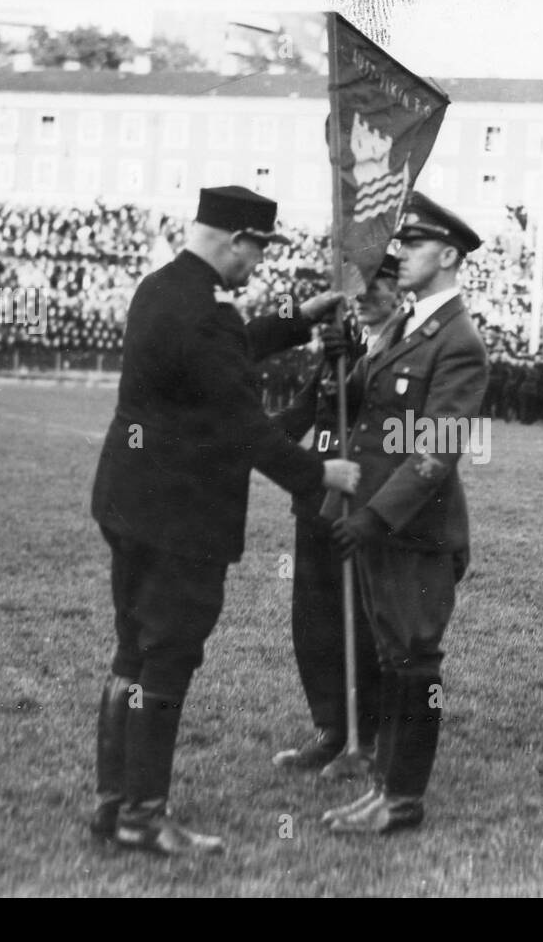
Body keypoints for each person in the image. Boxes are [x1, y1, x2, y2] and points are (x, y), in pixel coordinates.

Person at [88, 185, 361, 855]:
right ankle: (144, 816)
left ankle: (112, 801)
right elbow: (246, 428)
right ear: (237, 239)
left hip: (129, 501)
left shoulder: (163, 288)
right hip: (181, 519)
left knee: (133, 651)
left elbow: (226, 346)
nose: (257, 264)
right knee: (169, 661)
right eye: (257, 250)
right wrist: (320, 473)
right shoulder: (207, 313)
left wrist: (299, 320)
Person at [319, 192, 490, 834]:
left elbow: (435, 451)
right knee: (394, 659)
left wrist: (374, 516)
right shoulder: (414, 325)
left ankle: (403, 799)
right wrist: (345, 356)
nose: (402, 255)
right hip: (385, 525)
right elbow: (365, 408)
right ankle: (386, 788)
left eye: (414, 245)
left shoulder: (458, 340)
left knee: (416, 662)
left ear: (448, 255)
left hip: (413, 532)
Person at [269, 255, 405, 775]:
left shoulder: (406, 347)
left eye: (378, 284)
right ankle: (330, 728)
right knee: (316, 621)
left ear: (399, 290)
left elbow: (407, 432)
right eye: (359, 287)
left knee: (362, 623)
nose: (366, 295)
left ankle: (364, 738)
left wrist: (355, 379)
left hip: (365, 505)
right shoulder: (339, 346)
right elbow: (303, 412)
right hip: (316, 501)